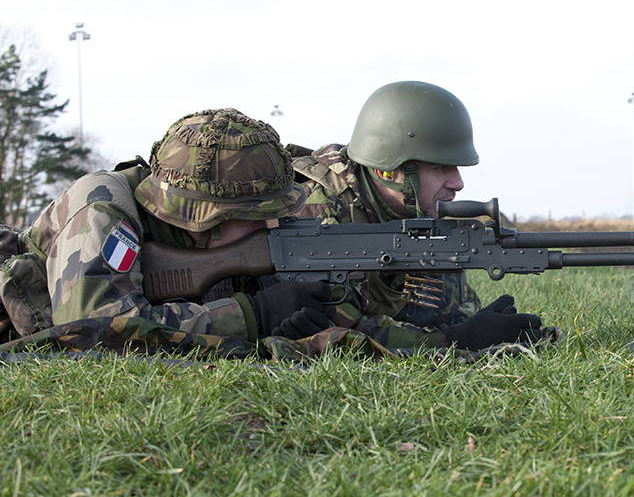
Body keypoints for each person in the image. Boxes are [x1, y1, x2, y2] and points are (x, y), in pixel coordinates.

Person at [0, 107, 335, 345]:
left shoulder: (204, 243)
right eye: (253, 217)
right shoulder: (101, 207)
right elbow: (94, 331)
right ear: (202, 219)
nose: (268, 226)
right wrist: (251, 316)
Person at [287, 80, 544, 352]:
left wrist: (474, 327)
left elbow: (447, 313)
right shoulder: (320, 213)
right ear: (386, 171)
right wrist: (451, 341)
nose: (458, 183)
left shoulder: (416, 217)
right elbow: (335, 331)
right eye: (439, 168)